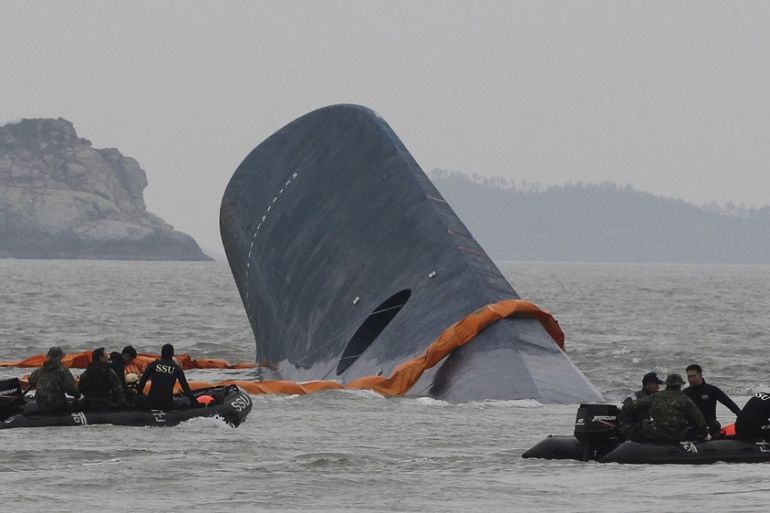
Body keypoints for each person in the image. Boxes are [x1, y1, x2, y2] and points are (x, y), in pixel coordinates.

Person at [624, 373, 707, 442]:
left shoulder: (656, 396)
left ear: (667, 385)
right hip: (678, 434)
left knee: (644, 423)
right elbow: (699, 420)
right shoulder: (685, 399)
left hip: (657, 433)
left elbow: (631, 406)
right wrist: (704, 434)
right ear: (679, 386)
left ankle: (628, 438)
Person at [683, 364, 741, 437]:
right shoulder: (685, 393)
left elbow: (728, 403)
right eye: (689, 377)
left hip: (710, 423)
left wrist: (741, 416)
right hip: (692, 426)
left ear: (700, 375)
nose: (691, 379)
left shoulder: (711, 390)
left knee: (716, 424)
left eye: (694, 376)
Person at [136, 344, 196, 410]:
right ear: (172, 354)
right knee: (185, 400)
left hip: (152, 401)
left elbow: (143, 381)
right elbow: (185, 387)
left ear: (161, 353)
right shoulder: (176, 368)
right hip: (167, 403)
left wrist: (139, 394)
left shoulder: (154, 364)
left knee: (137, 398)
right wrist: (194, 401)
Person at [26, 346, 81, 414]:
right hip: (57, 405)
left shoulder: (40, 371)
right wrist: (78, 396)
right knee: (77, 405)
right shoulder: (63, 370)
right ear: (61, 357)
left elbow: (31, 381)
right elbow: (70, 389)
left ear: (49, 357)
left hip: (40, 404)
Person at [618, 372, 664, 440]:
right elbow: (624, 411)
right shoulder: (635, 397)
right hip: (637, 434)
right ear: (649, 384)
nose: (658, 387)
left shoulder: (659, 397)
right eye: (656, 384)